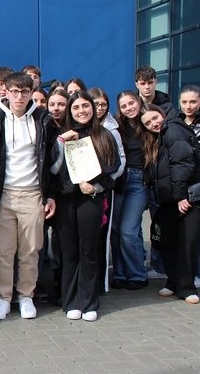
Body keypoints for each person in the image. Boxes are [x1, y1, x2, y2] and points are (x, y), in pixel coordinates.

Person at [0, 72, 56, 321]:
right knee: (2, 251)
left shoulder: (44, 120)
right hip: (4, 196)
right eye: (15, 91)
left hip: (33, 194)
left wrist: (50, 195)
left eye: (24, 91)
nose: (19, 96)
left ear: (31, 92)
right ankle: (2, 297)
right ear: (6, 92)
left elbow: (52, 161)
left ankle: (25, 296)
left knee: (30, 251)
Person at [51, 92, 120, 322]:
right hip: (65, 200)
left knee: (89, 251)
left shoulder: (104, 135)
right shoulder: (62, 136)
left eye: (85, 106)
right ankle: (71, 301)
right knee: (69, 252)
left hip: (91, 199)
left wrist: (97, 187)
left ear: (93, 108)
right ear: (70, 111)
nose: (81, 111)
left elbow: (114, 168)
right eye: (76, 107)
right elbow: (51, 169)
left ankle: (89, 302)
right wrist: (62, 143)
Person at [140, 104, 200, 304]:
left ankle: (187, 287)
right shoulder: (157, 137)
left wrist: (181, 196)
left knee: (187, 243)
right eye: (147, 123)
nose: (153, 124)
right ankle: (173, 281)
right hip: (170, 199)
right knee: (168, 241)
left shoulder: (172, 128)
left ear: (162, 114)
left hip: (191, 197)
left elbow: (183, 162)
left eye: (155, 118)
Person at [110, 91, 150, 290]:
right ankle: (119, 272)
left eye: (131, 103)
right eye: (124, 106)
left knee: (128, 231)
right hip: (119, 180)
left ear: (139, 101)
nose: (128, 108)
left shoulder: (148, 122)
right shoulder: (118, 126)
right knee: (116, 230)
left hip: (139, 181)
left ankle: (136, 273)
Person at [87, 87, 126, 292]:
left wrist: (104, 182)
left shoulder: (112, 129)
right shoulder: (81, 125)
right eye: (96, 103)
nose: (100, 107)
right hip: (83, 189)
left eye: (103, 104)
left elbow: (120, 161)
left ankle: (101, 284)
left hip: (104, 189)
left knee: (103, 236)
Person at [177, 84, 200, 287]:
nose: (188, 106)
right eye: (184, 102)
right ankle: (183, 272)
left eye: (192, 101)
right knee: (185, 234)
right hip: (181, 185)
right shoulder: (176, 123)